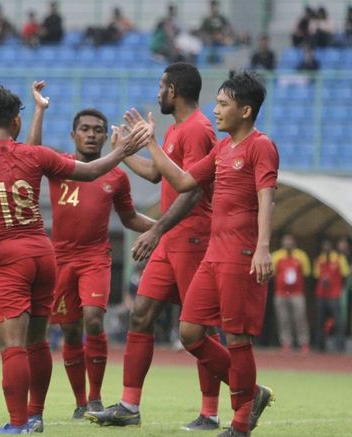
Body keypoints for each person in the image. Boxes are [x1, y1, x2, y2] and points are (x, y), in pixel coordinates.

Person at [0, 85, 139, 434]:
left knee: (13, 346)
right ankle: (35, 416)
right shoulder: (36, 155)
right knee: (37, 341)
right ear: (17, 121)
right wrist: (123, 151)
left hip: (8, 255)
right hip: (43, 252)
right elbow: (89, 171)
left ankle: (18, 423)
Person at [121, 70, 278, 437]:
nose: (216, 109)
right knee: (190, 333)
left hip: (240, 254)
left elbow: (266, 196)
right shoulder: (223, 149)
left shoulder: (261, 145)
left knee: (237, 338)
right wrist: (151, 144)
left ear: (246, 110)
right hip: (212, 253)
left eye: (223, 104)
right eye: (217, 102)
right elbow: (184, 182)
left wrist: (263, 247)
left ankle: (240, 424)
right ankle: (251, 394)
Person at [85, 62, 220, 431]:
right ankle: (129, 405)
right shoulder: (178, 129)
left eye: (161, 87)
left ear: (173, 91)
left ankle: (212, 411)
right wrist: (124, 151)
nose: (158, 93)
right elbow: (158, 173)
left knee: (200, 328)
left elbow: (191, 192)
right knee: (141, 314)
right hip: (172, 238)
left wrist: (156, 229)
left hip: (192, 238)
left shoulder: (197, 130)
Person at [26, 82, 155, 420]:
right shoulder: (60, 165)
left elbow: (129, 218)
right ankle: (80, 402)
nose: (92, 135)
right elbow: (31, 152)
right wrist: (39, 110)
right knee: (69, 330)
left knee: (93, 319)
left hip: (95, 259)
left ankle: (96, 399)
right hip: (61, 260)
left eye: (98, 130)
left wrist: (162, 226)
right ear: (73, 135)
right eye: (85, 129)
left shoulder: (116, 177)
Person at [271, 234, 311, 355]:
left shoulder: (301, 255)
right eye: (286, 241)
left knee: (300, 318)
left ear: (294, 242)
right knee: (283, 319)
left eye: (290, 241)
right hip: (281, 293)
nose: (288, 243)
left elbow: (307, 273)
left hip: (297, 293)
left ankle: (303, 343)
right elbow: (272, 273)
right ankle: (286, 343)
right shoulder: (277, 255)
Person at [313, 239, 350, 352]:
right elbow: (316, 276)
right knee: (320, 321)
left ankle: (340, 346)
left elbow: (346, 275)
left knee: (338, 321)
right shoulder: (319, 260)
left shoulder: (339, 258)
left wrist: (341, 289)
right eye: (324, 246)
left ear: (332, 247)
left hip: (334, 294)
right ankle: (320, 346)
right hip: (321, 294)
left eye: (328, 246)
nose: (326, 248)